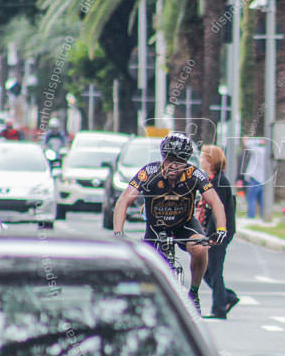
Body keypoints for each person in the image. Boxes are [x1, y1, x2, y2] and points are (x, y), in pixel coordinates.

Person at [112, 132, 227, 313]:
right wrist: (118, 232)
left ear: (187, 162)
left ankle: (194, 293)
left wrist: (221, 229)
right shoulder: (149, 172)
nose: (174, 166)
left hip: (184, 225)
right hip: (155, 227)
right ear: (163, 158)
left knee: (200, 248)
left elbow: (216, 203)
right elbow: (124, 200)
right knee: (143, 264)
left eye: (180, 161)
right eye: (170, 160)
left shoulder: (194, 174)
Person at [197, 145, 240, 320]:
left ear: (210, 160)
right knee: (208, 270)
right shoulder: (212, 180)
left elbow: (218, 211)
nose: (200, 160)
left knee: (213, 270)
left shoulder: (219, 182)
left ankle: (220, 307)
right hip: (213, 233)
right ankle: (226, 297)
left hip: (218, 234)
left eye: (202, 157)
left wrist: (213, 235)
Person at [241, 137, 267, 219]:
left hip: (255, 178)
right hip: (264, 179)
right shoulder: (267, 152)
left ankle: (251, 216)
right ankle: (263, 216)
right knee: (262, 200)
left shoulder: (257, 150)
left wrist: (258, 140)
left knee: (251, 199)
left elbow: (247, 143)